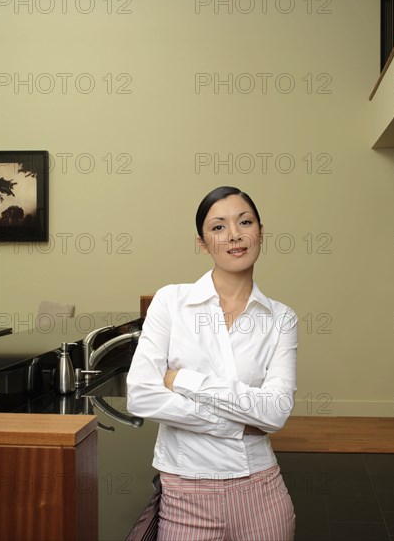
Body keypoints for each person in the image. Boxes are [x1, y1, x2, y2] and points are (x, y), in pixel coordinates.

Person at [127, 186, 298, 541]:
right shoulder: (170, 302)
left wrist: (183, 380)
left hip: (262, 493)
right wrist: (236, 425)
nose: (234, 235)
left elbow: (276, 412)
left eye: (245, 222)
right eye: (218, 227)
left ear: (260, 232)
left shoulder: (281, 318)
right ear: (203, 243)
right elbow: (141, 396)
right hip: (185, 496)